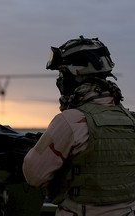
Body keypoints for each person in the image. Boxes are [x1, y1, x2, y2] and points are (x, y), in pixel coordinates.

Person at [23, 35, 135, 216]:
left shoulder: (70, 121)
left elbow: (34, 176)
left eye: (62, 74)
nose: (59, 80)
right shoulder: (130, 120)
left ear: (75, 75)